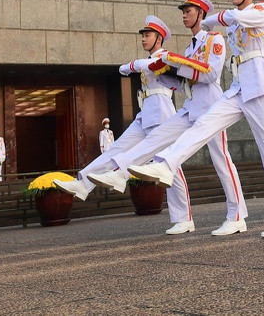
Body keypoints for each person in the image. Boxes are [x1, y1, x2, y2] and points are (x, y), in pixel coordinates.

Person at [130, 0, 264, 238]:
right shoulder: (234, 21)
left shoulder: (260, 11)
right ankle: (167, 162)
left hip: (261, 85)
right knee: (204, 124)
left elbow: (232, 17)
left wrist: (212, 21)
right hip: (239, 87)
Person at [86, 0, 248, 236]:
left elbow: (211, 74)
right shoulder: (189, 47)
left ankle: (236, 216)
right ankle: (121, 172)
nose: (184, 16)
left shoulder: (214, 39)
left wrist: (177, 65)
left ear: (201, 13)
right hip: (190, 106)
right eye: (183, 11)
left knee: (221, 162)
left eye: (188, 11)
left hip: (211, 107)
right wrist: (168, 73)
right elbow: (181, 84)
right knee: (156, 138)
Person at [53, 16, 190, 227]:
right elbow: (132, 68)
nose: (143, 39)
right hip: (145, 113)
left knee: (171, 167)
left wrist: (133, 65)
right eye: (143, 35)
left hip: (162, 114)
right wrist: (131, 66)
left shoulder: (165, 57)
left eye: (148, 35)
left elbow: (154, 65)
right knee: (115, 150)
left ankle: (183, 218)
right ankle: (83, 183)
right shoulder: (151, 59)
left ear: (159, 38)